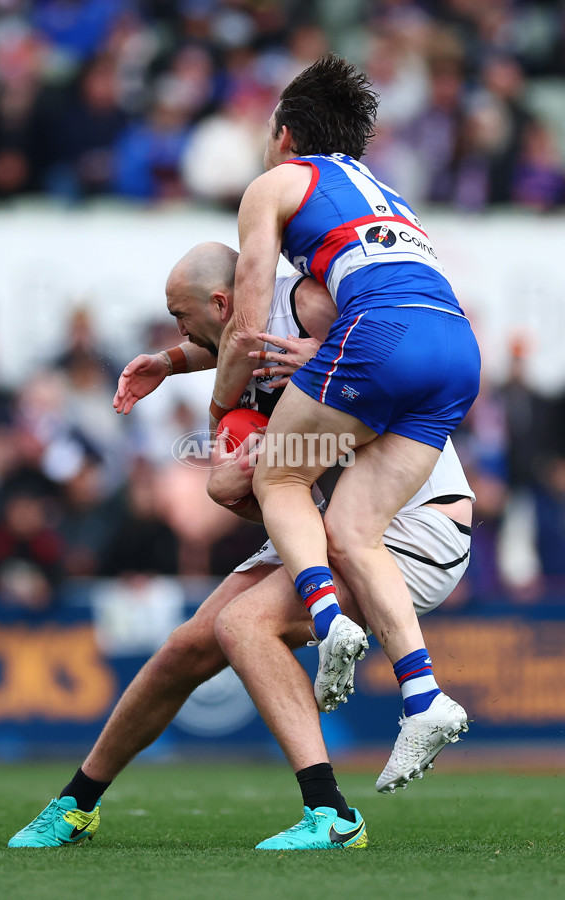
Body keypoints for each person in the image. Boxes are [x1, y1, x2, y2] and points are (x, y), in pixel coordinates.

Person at [8, 244, 473, 850]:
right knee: (186, 648)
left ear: (223, 303)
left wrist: (337, 357)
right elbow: (239, 433)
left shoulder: (313, 304)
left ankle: (330, 813)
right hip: (328, 521)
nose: (178, 333)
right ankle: (77, 802)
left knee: (244, 625)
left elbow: (399, 361)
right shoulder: (239, 351)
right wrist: (176, 368)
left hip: (411, 524)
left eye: (180, 317)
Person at [208, 56, 480, 772]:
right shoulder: (388, 193)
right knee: (356, 532)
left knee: (279, 479)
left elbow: (245, 322)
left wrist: (218, 404)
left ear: (284, 133)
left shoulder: (275, 183)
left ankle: (328, 619)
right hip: (457, 346)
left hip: (383, 334)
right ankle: (424, 698)